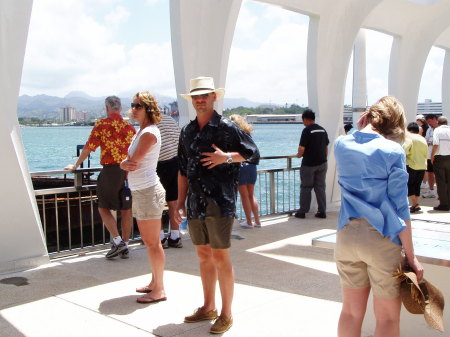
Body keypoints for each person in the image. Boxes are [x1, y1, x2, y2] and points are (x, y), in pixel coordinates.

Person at [334, 96, 424, 337]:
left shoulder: (341, 144)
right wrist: (411, 257)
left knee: (350, 312)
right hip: (381, 239)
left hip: (346, 235)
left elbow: (356, 136)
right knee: (386, 318)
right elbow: (400, 208)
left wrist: (360, 124)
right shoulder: (393, 151)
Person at [176, 76, 259, 334]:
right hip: (195, 202)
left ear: (214, 97)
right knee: (203, 255)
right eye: (196, 97)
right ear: (193, 101)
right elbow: (182, 169)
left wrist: (227, 157)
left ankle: (226, 313)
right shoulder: (187, 131)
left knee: (221, 255)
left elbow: (253, 153)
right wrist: (179, 201)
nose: (201, 100)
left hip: (220, 201)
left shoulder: (227, 128)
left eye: (205, 95)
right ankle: (208, 307)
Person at [65, 96, 135, 259]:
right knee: (126, 210)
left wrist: (75, 166)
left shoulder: (102, 125)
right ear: (120, 107)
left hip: (111, 171)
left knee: (103, 207)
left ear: (106, 108)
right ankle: (125, 245)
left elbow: (89, 147)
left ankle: (118, 242)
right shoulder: (129, 126)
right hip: (129, 173)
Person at [120, 91, 167, 304]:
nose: (134, 109)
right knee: (149, 242)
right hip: (140, 190)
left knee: (152, 243)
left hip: (148, 191)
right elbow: (129, 161)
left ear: (148, 109)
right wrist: (125, 162)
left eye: (138, 106)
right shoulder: (140, 132)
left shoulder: (149, 133)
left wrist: (123, 163)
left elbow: (133, 161)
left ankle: (159, 289)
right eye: (133, 105)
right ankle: (154, 282)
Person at [295, 109, 329, 219]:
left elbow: (301, 148)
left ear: (305, 119)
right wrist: (324, 158)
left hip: (309, 164)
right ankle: (322, 211)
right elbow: (326, 147)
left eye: (303, 120)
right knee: (320, 187)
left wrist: (299, 155)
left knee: (306, 187)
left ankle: (302, 211)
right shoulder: (322, 130)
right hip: (322, 163)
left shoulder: (307, 130)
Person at [229, 114, 261, 229]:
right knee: (251, 194)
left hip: (241, 166)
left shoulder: (234, 134)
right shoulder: (247, 134)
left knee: (244, 195)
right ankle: (257, 221)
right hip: (252, 166)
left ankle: (248, 221)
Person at [157, 112, 183, 248]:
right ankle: (175, 236)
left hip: (160, 163)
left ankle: (160, 237)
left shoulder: (152, 122)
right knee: (173, 202)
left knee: (157, 202)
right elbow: (181, 138)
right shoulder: (171, 120)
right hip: (176, 162)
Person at [403, 122, 428, 213]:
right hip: (422, 165)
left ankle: (415, 204)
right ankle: (415, 204)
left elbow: (404, 150)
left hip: (411, 164)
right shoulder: (422, 139)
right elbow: (426, 153)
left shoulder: (409, 138)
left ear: (409, 130)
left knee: (409, 185)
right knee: (417, 185)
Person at [431, 116, 450, 211]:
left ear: (438, 123)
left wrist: (432, 156)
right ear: (447, 123)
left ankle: (444, 204)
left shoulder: (437, 130)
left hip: (439, 158)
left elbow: (436, 144)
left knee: (441, 181)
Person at [422, 114, 439, 198]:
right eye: (428, 122)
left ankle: (442, 191)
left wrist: (431, 142)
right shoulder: (429, 129)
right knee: (430, 173)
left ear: (435, 119)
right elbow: (426, 140)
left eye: (430, 121)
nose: (429, 123)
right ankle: (431, 190)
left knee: (440, 174)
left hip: (439, 155)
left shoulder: (441, 129)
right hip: (429, 154)